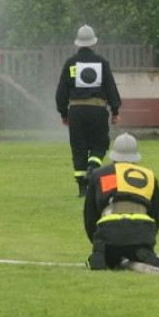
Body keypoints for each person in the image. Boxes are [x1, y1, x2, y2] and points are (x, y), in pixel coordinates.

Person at [55, 25, 123, 197]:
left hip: (76, 111)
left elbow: (61, 92)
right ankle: (93, 167)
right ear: (93, 43)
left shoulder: (70, 63)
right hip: (98, 110)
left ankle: (82, 189)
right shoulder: (102, 63)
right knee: (100, 144)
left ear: (78, 43)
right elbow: (110, 88)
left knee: (78, 147)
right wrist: (115, 111)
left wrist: (64, 113)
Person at [83, 133, 159, 270]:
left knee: (106, 256)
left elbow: (90, 215)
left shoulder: (99, 174)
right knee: (138, 249)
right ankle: (142, 251)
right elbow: (156, 213)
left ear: (114, 155)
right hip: (142, 232)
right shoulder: (149, 175)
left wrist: (96, 241)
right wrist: (149, 239)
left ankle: (101, 253)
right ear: (135, 157)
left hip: (109, 233)